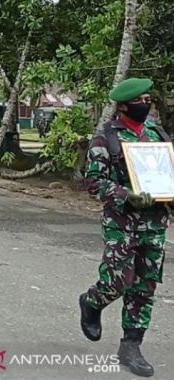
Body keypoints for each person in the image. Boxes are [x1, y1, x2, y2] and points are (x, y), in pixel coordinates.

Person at [79, 78, 169, 377]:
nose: (145, 103)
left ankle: (131, 346)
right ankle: (92, 302)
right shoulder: (107, 137)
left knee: (145, 285)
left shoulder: (156, 133)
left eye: (148, 98)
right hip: (122, 221)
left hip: (154, 222)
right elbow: (93, 181)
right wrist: (126, 195)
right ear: (122, 105)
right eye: (139, 100)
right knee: (118, 278)